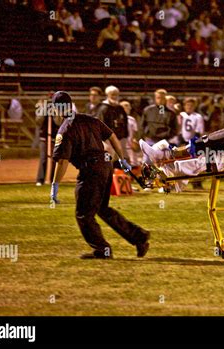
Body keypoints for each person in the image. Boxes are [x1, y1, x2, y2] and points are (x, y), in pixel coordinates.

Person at [50, 91, 150, 259]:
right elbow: (112, 136)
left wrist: (55, 186)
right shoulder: (90, 119)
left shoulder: (65, 129)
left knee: (83, 214)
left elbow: (62, 162)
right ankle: (139, 237)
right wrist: (122, 158)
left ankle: (102, 250)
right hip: (105, 165)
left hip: (91, 171)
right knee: (102, 209)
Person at [140, 89, 178, 164]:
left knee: (164, 162)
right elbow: (142, 125)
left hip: (164, 142)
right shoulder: (148, 110)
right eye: (158, 98)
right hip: (150, 140)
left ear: (165, 99)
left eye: (162, 98)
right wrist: (144, 136)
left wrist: (168, 136)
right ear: (155, 98)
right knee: (147, 162)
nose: (160, 100)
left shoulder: (171, 113)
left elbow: (175, 128)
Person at [94, 85, 129, 161]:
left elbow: (125, 122)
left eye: (116, 94)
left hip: (120, 137)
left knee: (121, 158)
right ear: (108, 95)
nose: (114, 96)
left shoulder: (119, 108)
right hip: (108, 139)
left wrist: (125, 135)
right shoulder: (103, 108)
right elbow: (100, 124)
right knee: (109, 158)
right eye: (112, 94)